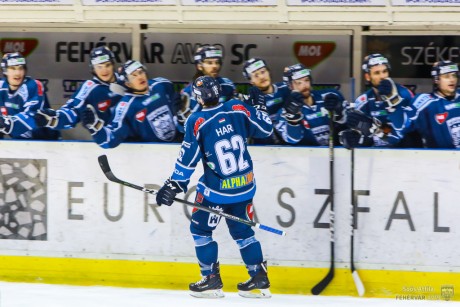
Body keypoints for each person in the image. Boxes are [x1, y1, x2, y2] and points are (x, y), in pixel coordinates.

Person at [155, 76, 273, 299]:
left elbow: (187, 159)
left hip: (217, 192)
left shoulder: (197, 120)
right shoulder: (237, 107)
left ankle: (210, 279)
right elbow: (265, 129)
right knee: (243, 233)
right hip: (245, 186)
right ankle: (258, 276)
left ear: (198, 97)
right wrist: (259, 107)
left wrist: (174, 184)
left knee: (200, 231)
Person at [81, 59, 180, 148]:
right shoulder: (124, 107)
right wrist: (96, 126)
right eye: (134, 76)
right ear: (127, 83)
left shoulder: (162, 85)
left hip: (181, 145)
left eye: (141, 72)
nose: (140, 77)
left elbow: (180, 111)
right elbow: (111, 139)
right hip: (152, 156)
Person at [34, 46, 124, 134]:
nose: (104, 70)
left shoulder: (126, 80)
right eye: (99, 67)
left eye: (107, 65)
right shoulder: (89, 88)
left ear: (113, 64)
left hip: (135, 138)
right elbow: (72, 110)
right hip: (110, 140)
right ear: (93, 69)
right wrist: (53, 119)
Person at [340, 53, 423, 149]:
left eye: (385, 71)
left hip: (405, 154)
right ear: (367, 77)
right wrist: (354, 137)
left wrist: (373, 126)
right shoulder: (363, 101)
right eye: (377, 73)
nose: (383, 76)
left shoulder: (404, 94)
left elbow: (399, 134)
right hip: (378, 155)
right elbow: (366, 137)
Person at [381, 61, 460, 148]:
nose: (452, 79)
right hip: (438, 159)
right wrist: (393, 104)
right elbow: (400, 129)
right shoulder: (424, 102)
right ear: (436, 79)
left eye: (454, 75)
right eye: (446, 76)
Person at [274, 63, 347, 146]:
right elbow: (292, 139)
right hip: (307, 157)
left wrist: (340, 113)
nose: (305, 86)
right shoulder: (284, 112)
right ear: (290, 86)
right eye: (299, 83)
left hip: (338, 155)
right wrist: (293, 120)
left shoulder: (331, 95)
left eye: (306, 80)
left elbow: (349, 124)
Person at [0, 52, 59, 140]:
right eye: (13, 68)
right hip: (18, 142)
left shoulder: (33, 85)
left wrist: (7, 123)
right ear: (5, 71)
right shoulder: (1, 86)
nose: (17, 73)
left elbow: (32, 116)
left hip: (46, 142)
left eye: (21, 68)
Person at [177, 46, 236, 131]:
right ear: (199, 66)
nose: (215, 66)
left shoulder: (228, 85)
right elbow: (182, 129)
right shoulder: (189, 92)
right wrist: (182, 119)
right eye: (209, 63)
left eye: (217, 62)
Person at [242, 57, 291, 144]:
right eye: (256, 75)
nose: (261, 77)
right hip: (265, 151)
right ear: (251, 81)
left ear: (269, 72)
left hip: (295, 148)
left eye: (263, 72)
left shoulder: (286, 88)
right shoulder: (249, 103)